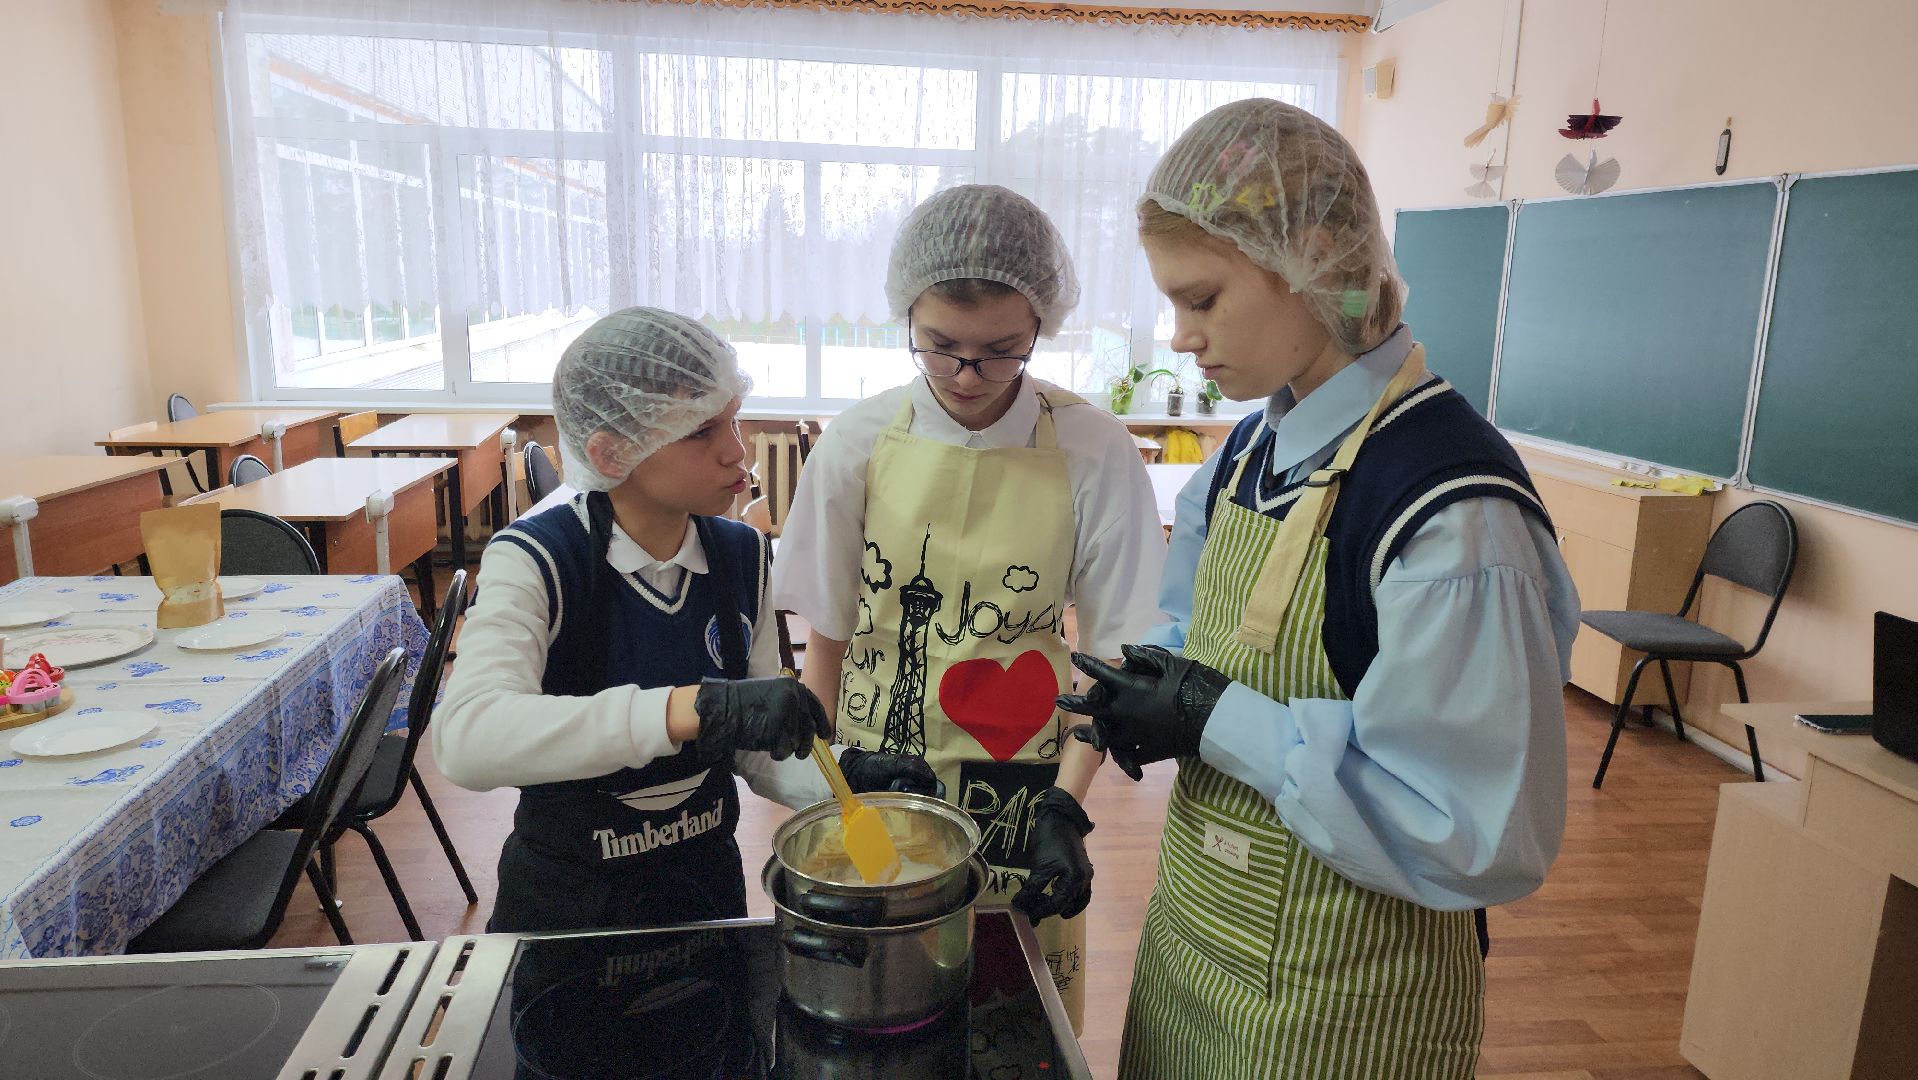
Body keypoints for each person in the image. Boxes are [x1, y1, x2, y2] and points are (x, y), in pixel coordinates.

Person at [1058, 99, 1579, 1078]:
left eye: (1202, 299)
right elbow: (1192, 625)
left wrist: (1215, 718)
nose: (1179, 337)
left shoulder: (1450, 513)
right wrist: (1128, 704)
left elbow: (1470, 834)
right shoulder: (1253, 446)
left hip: (1342, 1003)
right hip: (1193, 953)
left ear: (1309, 259)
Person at [771, 185, 1168, 1025]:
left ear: (1041, 327)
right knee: (882, 1006)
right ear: (905, 315)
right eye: (938, 347)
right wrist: (827, 787)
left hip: (1032, 777)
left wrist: (1068, 803)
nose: (965, 375)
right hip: (878, 776)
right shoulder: (858, 442)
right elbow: (828, 642)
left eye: (1000, 352)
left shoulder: (1093, 447)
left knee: (1012, 1017)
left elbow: (1117, 653)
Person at [436, 307, 936, 933]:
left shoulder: (741, 556)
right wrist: (693, 709)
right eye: (702, 432)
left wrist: (844, 780)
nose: (737, 449)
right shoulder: (536, 560)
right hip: (567, 911)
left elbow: (756, 754)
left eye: (731, 419)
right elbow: (467, 739)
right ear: (612, 450)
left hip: (704, 895)